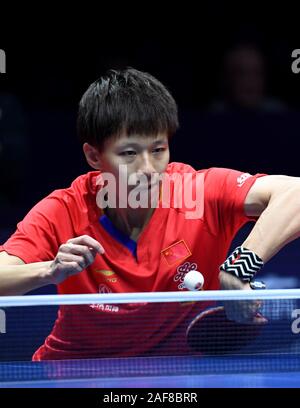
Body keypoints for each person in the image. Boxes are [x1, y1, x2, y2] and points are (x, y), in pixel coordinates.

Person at [0, 68, 300, 360]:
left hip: (175, 380)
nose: (148, 168)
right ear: (93, 156)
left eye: (158, 150)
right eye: (129, 153)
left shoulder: (200, 193)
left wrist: (240, 266)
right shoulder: (64, 209)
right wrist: (49, 271)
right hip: (72, 373)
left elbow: (295, 193)